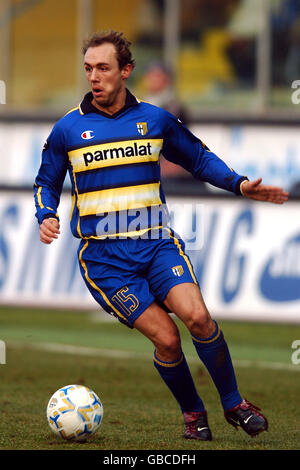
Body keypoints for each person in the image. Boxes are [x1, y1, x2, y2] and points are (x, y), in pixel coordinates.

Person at [34, 30, 288, 441]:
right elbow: (45, 181)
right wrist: (46, 213)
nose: (94, 77)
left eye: (103, 68)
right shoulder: (67, 130)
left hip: (156, 244)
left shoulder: (154, 119)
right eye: (88, 69)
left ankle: (234, 404)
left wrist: (239, 184)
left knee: (198, 318)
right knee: (168, 340)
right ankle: (194, 416)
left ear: (126, 70)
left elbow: (198, 158)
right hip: (105, 262)